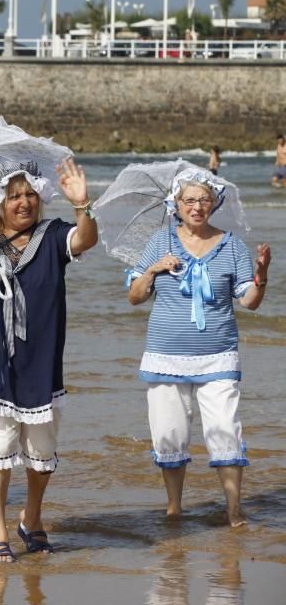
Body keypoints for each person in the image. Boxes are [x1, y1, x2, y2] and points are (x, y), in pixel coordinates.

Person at [0, 158, 97, 562]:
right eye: (13, 197)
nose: (23, 203)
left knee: (42, 456)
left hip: (41, 364)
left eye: (29, 194)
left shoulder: (53, 233)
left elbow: (85, 240)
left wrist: (83, 204)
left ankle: (33, 516)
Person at [127, 169, 271, 527]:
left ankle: (234, 512)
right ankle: (174, 507)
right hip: (165, 355)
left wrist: (261, 276)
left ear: (214, 203)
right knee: (169, 434)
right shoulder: (160, 243)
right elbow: (134, 297)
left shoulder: (232, 245)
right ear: (176, 204)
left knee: (225, 430)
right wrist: (154, 270)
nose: (197, 206)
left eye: (204, 200)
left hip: (218, 355)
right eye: (189, 200)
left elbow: (249, 302)